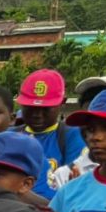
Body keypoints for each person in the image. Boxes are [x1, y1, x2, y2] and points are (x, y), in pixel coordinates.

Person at [10, 69, 85, 200]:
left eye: (45, 109)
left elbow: (70, 188)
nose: (37, 115)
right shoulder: (9, 136)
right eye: (30, 108)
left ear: (62, 102)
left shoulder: (72, 135)